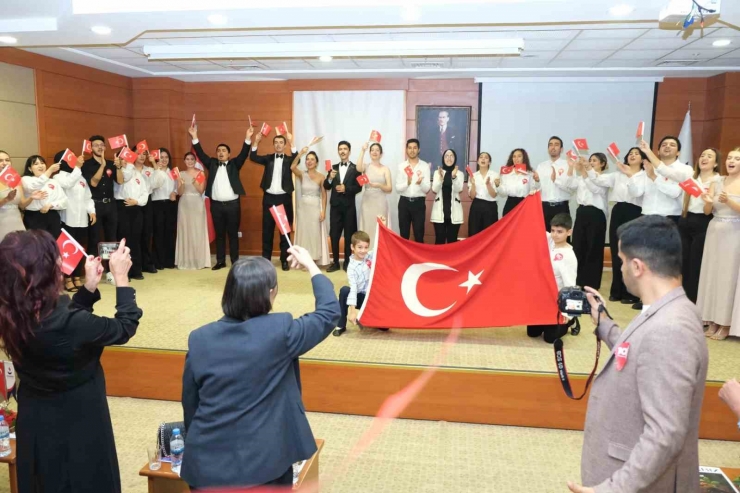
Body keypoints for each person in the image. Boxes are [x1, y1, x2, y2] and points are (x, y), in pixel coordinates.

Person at [568, 216, 707, 493]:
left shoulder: (670, 329)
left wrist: (611, 489)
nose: (620, 269)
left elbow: (665, 434)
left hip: (635, 482)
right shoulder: (670, 309)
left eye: (620, 261)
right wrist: (604, 324)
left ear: (637, 266)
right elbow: (641, 353)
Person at [181, 248, 340, 489]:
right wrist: (312, 266)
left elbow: (190, 404)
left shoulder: (199, 339)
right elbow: (329, 312)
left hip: (206, 466)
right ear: (270, 293)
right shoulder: (281, 332)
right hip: (265, 467)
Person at [0, 233, 141, 493]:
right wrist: (120, 278)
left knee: (46, 479)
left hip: (36, 415)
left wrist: (87, 290)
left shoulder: (12, 311)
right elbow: (124, 327)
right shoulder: (72, 325)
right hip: (80, 416)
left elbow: (64, 327)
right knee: (85, 478)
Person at [189, 123, 253, 270]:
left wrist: (248, 138)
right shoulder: (211, 163)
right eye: (218, 151)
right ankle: (220, 261)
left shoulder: (235, 164)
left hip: (233, 205)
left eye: (224, 151)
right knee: (219, 235)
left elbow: (244, 153)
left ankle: (235, 262)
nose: (221, 153)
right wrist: (194, 137)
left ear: (229, 154)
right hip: (216, 205)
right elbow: (200, 153)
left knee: (233, 234)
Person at [588, 147, 646, 304]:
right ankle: (617, 290)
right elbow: (599, 180)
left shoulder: (645, 175)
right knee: (616, 250)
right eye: (631, 153)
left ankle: (631, 293)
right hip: (618, 210)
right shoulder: (617, 175)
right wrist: (589, 169)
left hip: (635, 212)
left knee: (632, 253)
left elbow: (636, 193)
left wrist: (630, 175)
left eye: (637, 154)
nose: (633, 155)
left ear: (642, 159)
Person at [696, 147, 740, 341]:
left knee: (727, 277)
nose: (731, 161)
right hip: (714, 231)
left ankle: (725, 323)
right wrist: (707, 200)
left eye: (737, 159)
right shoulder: (717, 181)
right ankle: (712, 319)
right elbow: (707, 211)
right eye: (730, 157)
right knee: (712, 275)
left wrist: (729, 201)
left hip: (734, 233)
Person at [251, 128, 299, 271]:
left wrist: (292, 142)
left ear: (285, 145)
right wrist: (256, 141)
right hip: (269, 198)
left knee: (284, 231)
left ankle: (284, 259)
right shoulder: (268, 158)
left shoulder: (290, 159)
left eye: (281, 142)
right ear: (273, 145)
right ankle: (266, 260)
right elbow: (253, 157)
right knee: (267, 230)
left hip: (284, 199)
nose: (278, 145)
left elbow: (298, 159)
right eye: (276, 142)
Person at [527, 213, 577, 343]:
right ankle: (547, 320)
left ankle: (571, 321)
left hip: (557, 301)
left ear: (569, 232)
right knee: (532, 333)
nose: (555, 235)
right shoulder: (551, 240)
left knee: (550, 338)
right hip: (542, 298)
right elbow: (534, 227)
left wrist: (567, 313)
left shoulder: (569, 257)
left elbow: (570, 286)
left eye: (560, 232)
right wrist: (533, 198)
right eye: (553, 230)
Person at [562, 154, 609, 290]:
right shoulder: (582, 178)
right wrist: (571, 168)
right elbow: (569, 184)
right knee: (578, 247)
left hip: (596, 214)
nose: (591, 162)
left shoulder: (604, 178)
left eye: (594, 161)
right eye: (590, 160)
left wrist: (583, 172)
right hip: (582, 212)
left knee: (593, 248)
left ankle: (591, 284)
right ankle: (578, 282)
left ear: (603, 164)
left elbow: (595, 189)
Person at [334, 223, 388, 337]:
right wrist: (352, 311)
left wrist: (382, 225)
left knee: (385, 327)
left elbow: (379, 245)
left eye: (366, 247)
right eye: (359, 247)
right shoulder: (351, 268)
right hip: (360, 297)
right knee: (345, 290)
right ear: (352, 247)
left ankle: (369, 316)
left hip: (372, 298)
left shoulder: (368, 255)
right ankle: (340, 325)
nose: (363, 251)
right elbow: (353, 289)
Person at [54, 149, 95, 292]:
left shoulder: (81, 178)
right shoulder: (59, 177)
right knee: (67, 250)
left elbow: (87, 197)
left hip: (82, 219)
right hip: (67, 219)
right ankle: (67, 278)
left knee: (79, 249)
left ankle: (77, 276)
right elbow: (68, 184)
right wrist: (77, 167)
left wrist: (92, 211)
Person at [81, 135, 122, 257]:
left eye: (102, 145)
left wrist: (118, 167)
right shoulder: (86, 165)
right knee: (94, 238)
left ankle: (111, 272)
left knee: (112, 238)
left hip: (111, 205)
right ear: (91, 148)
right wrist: (102, 165)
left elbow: (120, 181)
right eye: (96, 145)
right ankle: (93, 271)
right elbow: (93, 183)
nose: (100, 147)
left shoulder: (112, 163)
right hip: (95, 205)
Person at [324, 141, 362, 272]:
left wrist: (346, 188)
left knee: (349, 236)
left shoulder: (356, 169)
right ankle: (335, 262)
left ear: (349, 151)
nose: (343, 151)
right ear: (338, 151)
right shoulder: (332, 168)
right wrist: (329, 178)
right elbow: (326, 186)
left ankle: (347, 262)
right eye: (340, 149)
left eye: (345, 149)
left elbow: (359, 187)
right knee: (334, 235)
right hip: (335, 207)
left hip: (349, 207)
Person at [291, 149, 330, 266]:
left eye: (312, 159)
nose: (309, 161)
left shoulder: (321, 177)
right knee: (303, 232)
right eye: (307, 159)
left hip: (315, 208)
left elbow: (324, 196)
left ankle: (313, 259)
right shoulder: (302, 174)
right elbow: (292, 167)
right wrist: (300, 154)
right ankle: (302, 259)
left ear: (316, 162)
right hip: (302, 208)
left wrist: (323, 211)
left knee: (313, 233)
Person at [114, 153, 149, 280]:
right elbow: (124, 178)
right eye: (124, 158)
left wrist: (137, 202)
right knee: (124, 240)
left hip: (136, 208)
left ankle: (136, 270)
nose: (127, 160)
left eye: (128, 158)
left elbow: (145, 192)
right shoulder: (118, 172)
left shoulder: (137, 173)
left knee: (136, 240)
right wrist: (124, 166)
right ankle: (124, 272)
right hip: (122, 206)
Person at [175, 152, 211, 270]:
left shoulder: (200, 173)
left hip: (197, 203)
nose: (189, 161)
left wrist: (195, 182)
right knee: (185, 230)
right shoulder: (180, 174)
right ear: (184, 161)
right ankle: (185, 260)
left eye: (192, 159)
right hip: (184, 203)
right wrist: (182, 184)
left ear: (195, 161)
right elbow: (179, 193)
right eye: (187, 159)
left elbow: (201, 191)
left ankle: (199, 260)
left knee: (197, 230)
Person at [0, 150, 43, 241]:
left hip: (16, 221)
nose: (4, 163)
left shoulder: (16, 179)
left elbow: (22, 205)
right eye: (0, 160)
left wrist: (31, 197)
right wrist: (7, 199)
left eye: (7, 160)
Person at [356, 141, 392, 248]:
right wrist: (362, 150)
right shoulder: (366, 166)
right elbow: (358, 168)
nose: (374, 152)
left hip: (380, 201)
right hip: (367, 201)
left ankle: (380, 252)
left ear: (381, 153)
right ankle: (366, 252)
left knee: (379, 226)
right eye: (372, 150)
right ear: (370, 152)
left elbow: (389, 188)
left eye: (377, 150)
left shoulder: (385, 169)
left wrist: (379, 185)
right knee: (367, 226)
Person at [21, 155, 67, 238]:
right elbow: (33, 187)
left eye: (42, 163)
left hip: (52, 216)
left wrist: (51, 205)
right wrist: (49, 171)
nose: (40, 166)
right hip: (33, 217)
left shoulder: (53, 182)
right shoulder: (26, 179)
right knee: (36, 244)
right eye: (36, 164)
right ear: (30, 168)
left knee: (54, 243)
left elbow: (64, 201)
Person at [395, 139, 430, 243]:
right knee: (404, 235)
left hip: (419, 203)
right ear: (406, 150)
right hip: (404, 203)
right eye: (409, 148)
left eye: (415, 148)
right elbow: (397, 187)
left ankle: (419, 259)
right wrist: (408, 183)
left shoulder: (424, 166)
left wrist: (421, 183)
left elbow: (427, 188)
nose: (412, 150)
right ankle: (404, 259)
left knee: (419, 234)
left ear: (419, 150)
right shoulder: (401, 166)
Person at [150, 149, 178, 270]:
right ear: (157, 158)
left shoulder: (173, 172)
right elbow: (154, 185)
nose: (164, 159)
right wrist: (157, 170)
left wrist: (175, 193)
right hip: (157, 204)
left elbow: (177, 186)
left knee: (170, 232)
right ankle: (158, 262)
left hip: (170, 204)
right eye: (161, 157)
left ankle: (169, 261)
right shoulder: (153, 171)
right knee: (158, 233)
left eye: (166, 157)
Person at [536, 136, 572, 230]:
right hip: (544, 207)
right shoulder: (541, 166)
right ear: (548, 148)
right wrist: (536, 181)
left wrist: (556, 180)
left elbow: (571, 188)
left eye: (556, 145)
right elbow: (537, 188)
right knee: (544, 238)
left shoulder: (568, 165)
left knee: (562, 239)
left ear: (561, 149)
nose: (553, 147)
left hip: (561, 207)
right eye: (550, 145)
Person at [431, 149, 464, 244]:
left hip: (454, 212)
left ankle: (451, 259)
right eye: (446, 156)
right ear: (443, 158)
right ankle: (437, 259)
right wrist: (440, 179)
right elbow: (434, 189)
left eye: (451, 156)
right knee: (439, 240)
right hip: (439, 211)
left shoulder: (460, 173)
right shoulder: (438, 172)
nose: (449, 158)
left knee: (452, 241)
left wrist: (454, 177)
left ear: (455, 158)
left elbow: (459, 189)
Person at [499, 148, 540, 216]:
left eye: (519, 156)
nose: (516, 158)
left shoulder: (529, 173)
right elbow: (503, 194)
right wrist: (498, 186)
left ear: (524, 158)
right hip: (510, 204)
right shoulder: (507, 173)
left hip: (524, 204)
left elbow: (534, 190)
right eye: (514, 156)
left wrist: (537, 181)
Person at [467, 152, 499, 236]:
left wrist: (488, 184)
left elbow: (494, 195)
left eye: (486, 157)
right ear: (477, 161)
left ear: (489, 162)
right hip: (476, 206)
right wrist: (473, 184)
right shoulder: (473, 175)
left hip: (490, 207)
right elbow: (472, 196)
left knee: (489, 235)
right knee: (474, 233)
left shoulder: (495, 175)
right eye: (481, 157)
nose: (483, 159)